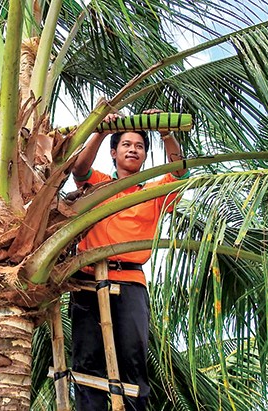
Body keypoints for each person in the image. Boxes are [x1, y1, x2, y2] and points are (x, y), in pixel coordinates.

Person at [69, 109, 189, 410]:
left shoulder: (151, 191)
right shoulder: (97, 184)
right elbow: (79, 169)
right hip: (87, 281)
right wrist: (101, 131)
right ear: (113, 152)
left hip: (131, 282)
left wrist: (165, 134)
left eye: (139, 146)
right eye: (126, 144)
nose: (133, 149)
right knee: (86, 364)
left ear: (146, 155)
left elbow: (179, 172)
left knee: (133, 360)